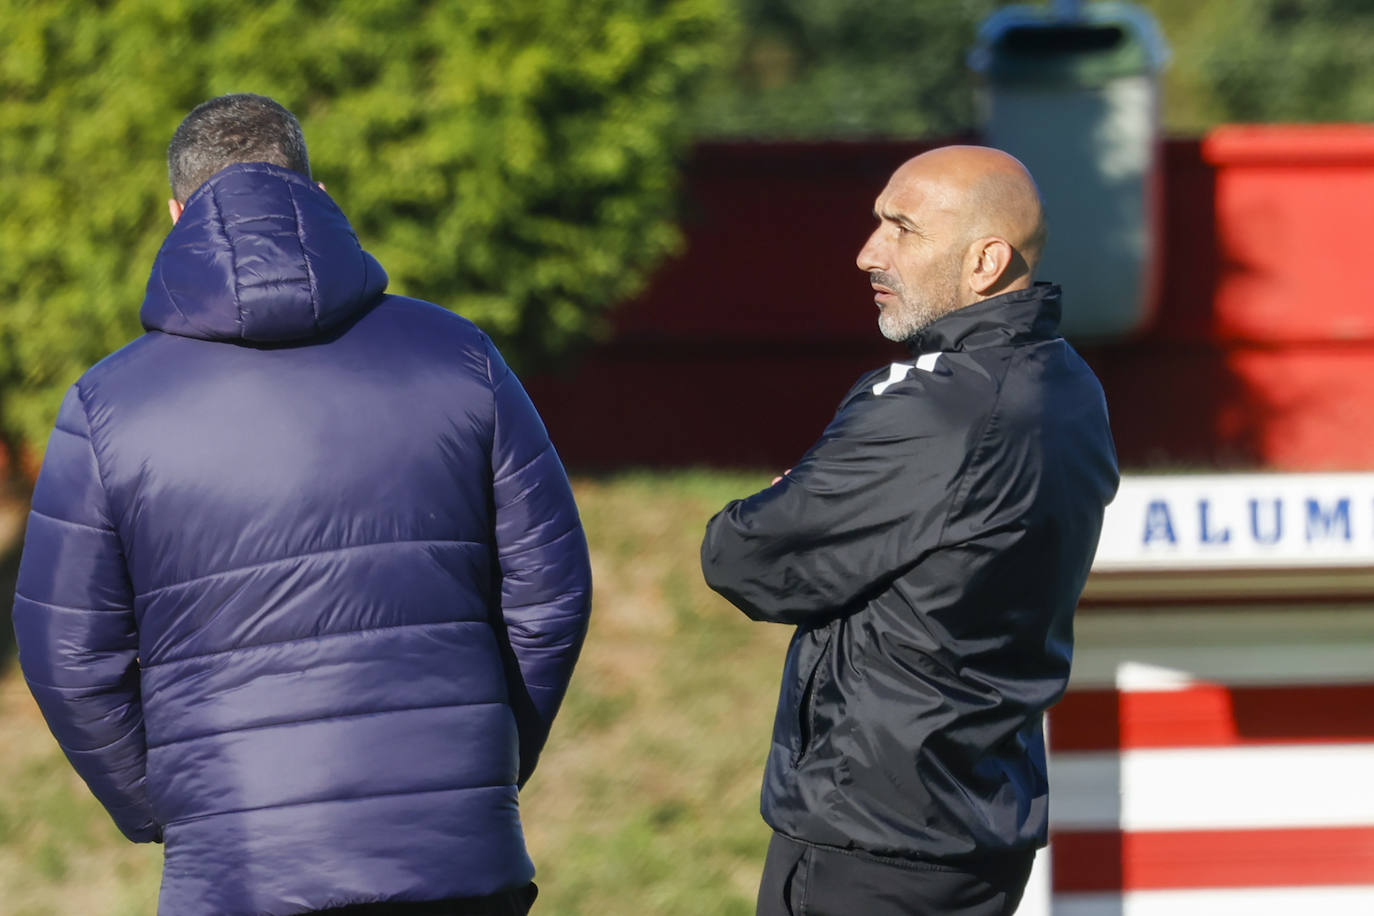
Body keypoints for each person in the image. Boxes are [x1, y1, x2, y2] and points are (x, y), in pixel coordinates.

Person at [12, 93, 592, 916]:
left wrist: (174, 803)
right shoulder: (461, 355)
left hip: (241, 868)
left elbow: (66, 652)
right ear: (317, 197)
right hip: (457, 857)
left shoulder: (107, 406)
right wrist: (479, 758)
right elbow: (552, 592)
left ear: (175, 214)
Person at [700, 145, 1119, 916]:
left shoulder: (937, 405)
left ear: (985, 261)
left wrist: (788, 497)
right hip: (980, 821)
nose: (869, 253)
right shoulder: (1069, 385)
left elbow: (740, 555)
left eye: (902, 229)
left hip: (875, 835)